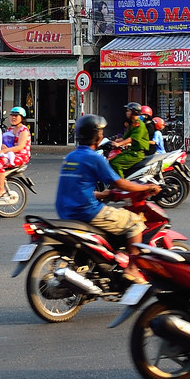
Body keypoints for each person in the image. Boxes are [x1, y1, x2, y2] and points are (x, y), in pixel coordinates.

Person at [56, 115, 160, 281]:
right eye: (101, 132)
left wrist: (101, 194)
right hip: (86, 212)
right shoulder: (94, 157)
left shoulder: (71, 157)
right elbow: (120, 183)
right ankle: (132, 269)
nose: (103, 135)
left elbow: (76, 187)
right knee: (135, 222)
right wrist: (147, 187)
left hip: (66, 211)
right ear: (96, 135)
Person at [0, 107, 31, 200]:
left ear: (22, 118)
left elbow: (19, 147)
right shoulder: (10, 129)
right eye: (12, 115)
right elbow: (5, 143)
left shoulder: (24, 130)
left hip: (20, 155)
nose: (13, 117)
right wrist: (2, 147)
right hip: (10, 153)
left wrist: (3, 151)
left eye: (16, 116)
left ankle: (1, 189)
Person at [111, 102, 150, 178]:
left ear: (134, 112)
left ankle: (122, 186)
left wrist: (119, 144)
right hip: (131, 151)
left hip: (137, 153)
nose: (127, 113)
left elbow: (132, 139)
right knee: (111, 161)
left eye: (128, 111)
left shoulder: (139, 125)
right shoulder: (132, 124)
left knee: (116, 164)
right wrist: (113, 141)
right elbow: (124, 138)